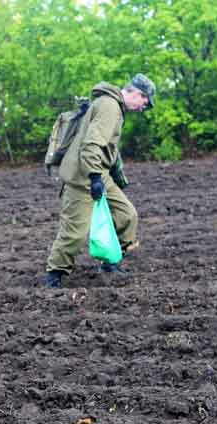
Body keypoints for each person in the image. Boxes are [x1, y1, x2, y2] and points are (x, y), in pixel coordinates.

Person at [44, 74, 156, 288]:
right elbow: (92, 144)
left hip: (98, 171)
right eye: (145, 102)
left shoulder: (112, 106)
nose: (144, 107)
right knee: (74, 233)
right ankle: (54, 275)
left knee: (126, 215)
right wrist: (94, 177)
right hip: (82, 175)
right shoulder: (109, 107)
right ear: (136, 93)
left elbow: (107, 149)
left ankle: (109, 263)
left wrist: (105, 175)